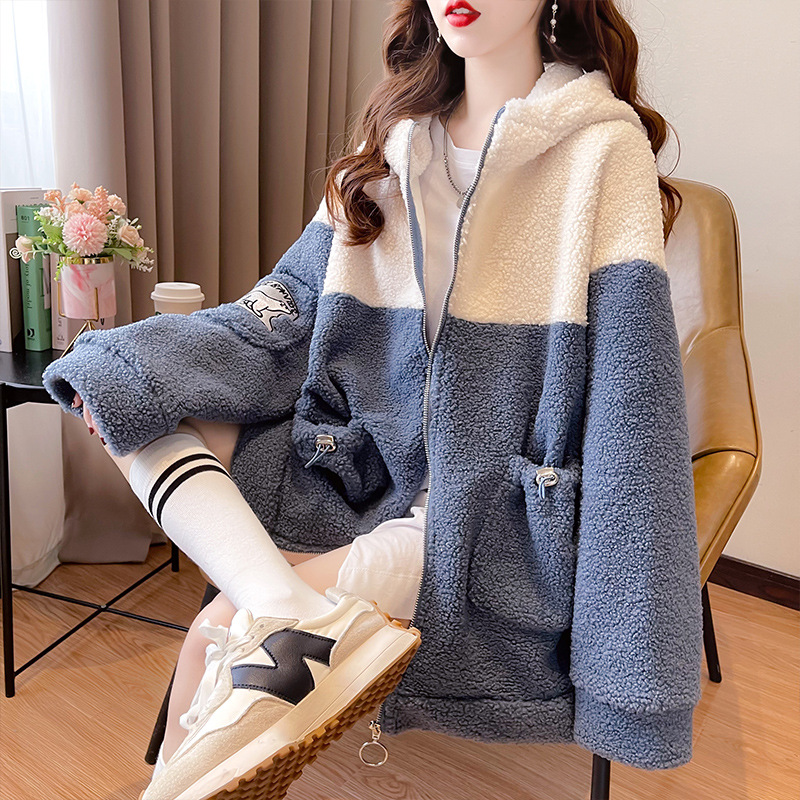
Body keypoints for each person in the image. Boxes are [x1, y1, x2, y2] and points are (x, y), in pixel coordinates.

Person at [43, 0, 704, 798]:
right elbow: (288, 308)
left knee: (212, 638)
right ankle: (282, 602)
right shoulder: (395, 141)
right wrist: (133, 364)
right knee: (128, 396)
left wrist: (633, 672)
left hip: (479, 521)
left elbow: (635, 409)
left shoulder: (602, 149)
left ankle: (268, 623)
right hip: (354, 472)